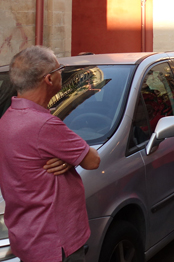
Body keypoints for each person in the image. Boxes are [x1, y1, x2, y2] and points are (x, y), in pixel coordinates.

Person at [0, 46, 101, 262]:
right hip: (56, 241)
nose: (61, 74)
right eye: (59, 69)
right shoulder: (44, 125)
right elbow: (93, 161)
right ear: (48, 79)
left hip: (27, 236)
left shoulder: (8, 118)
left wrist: (67, 159)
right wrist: (70, 158)